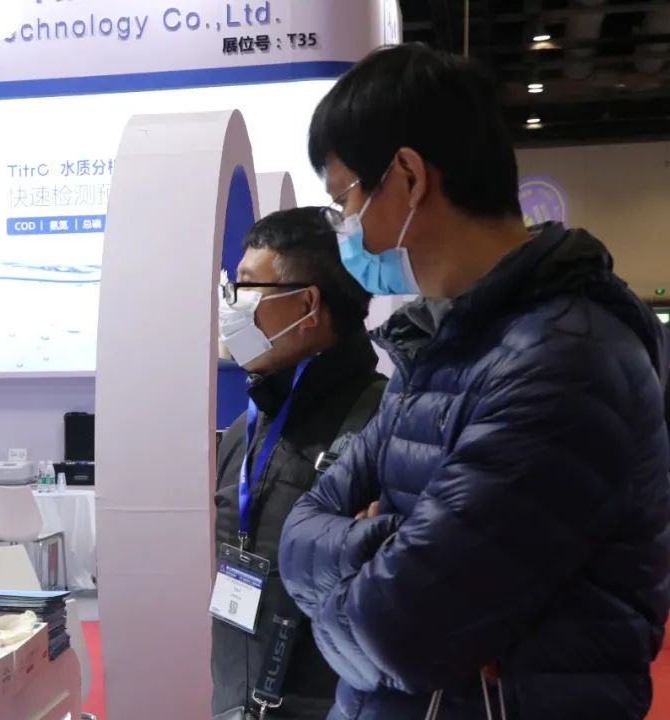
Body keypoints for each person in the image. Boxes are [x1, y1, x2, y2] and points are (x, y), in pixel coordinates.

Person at [278, 44, 670, 720]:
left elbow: (402, 631)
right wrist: (383, 544)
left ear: (407, 177)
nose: (343, 227)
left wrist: (354, 566)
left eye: (343, 199)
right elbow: (297, 535)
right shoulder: (439, 342)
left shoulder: (563, 362)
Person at [212, 208, 386, 719]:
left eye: (246, 288)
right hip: (234, 699)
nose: (230, 306)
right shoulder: (247, 428)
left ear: (307, 304)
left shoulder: (384, 426)